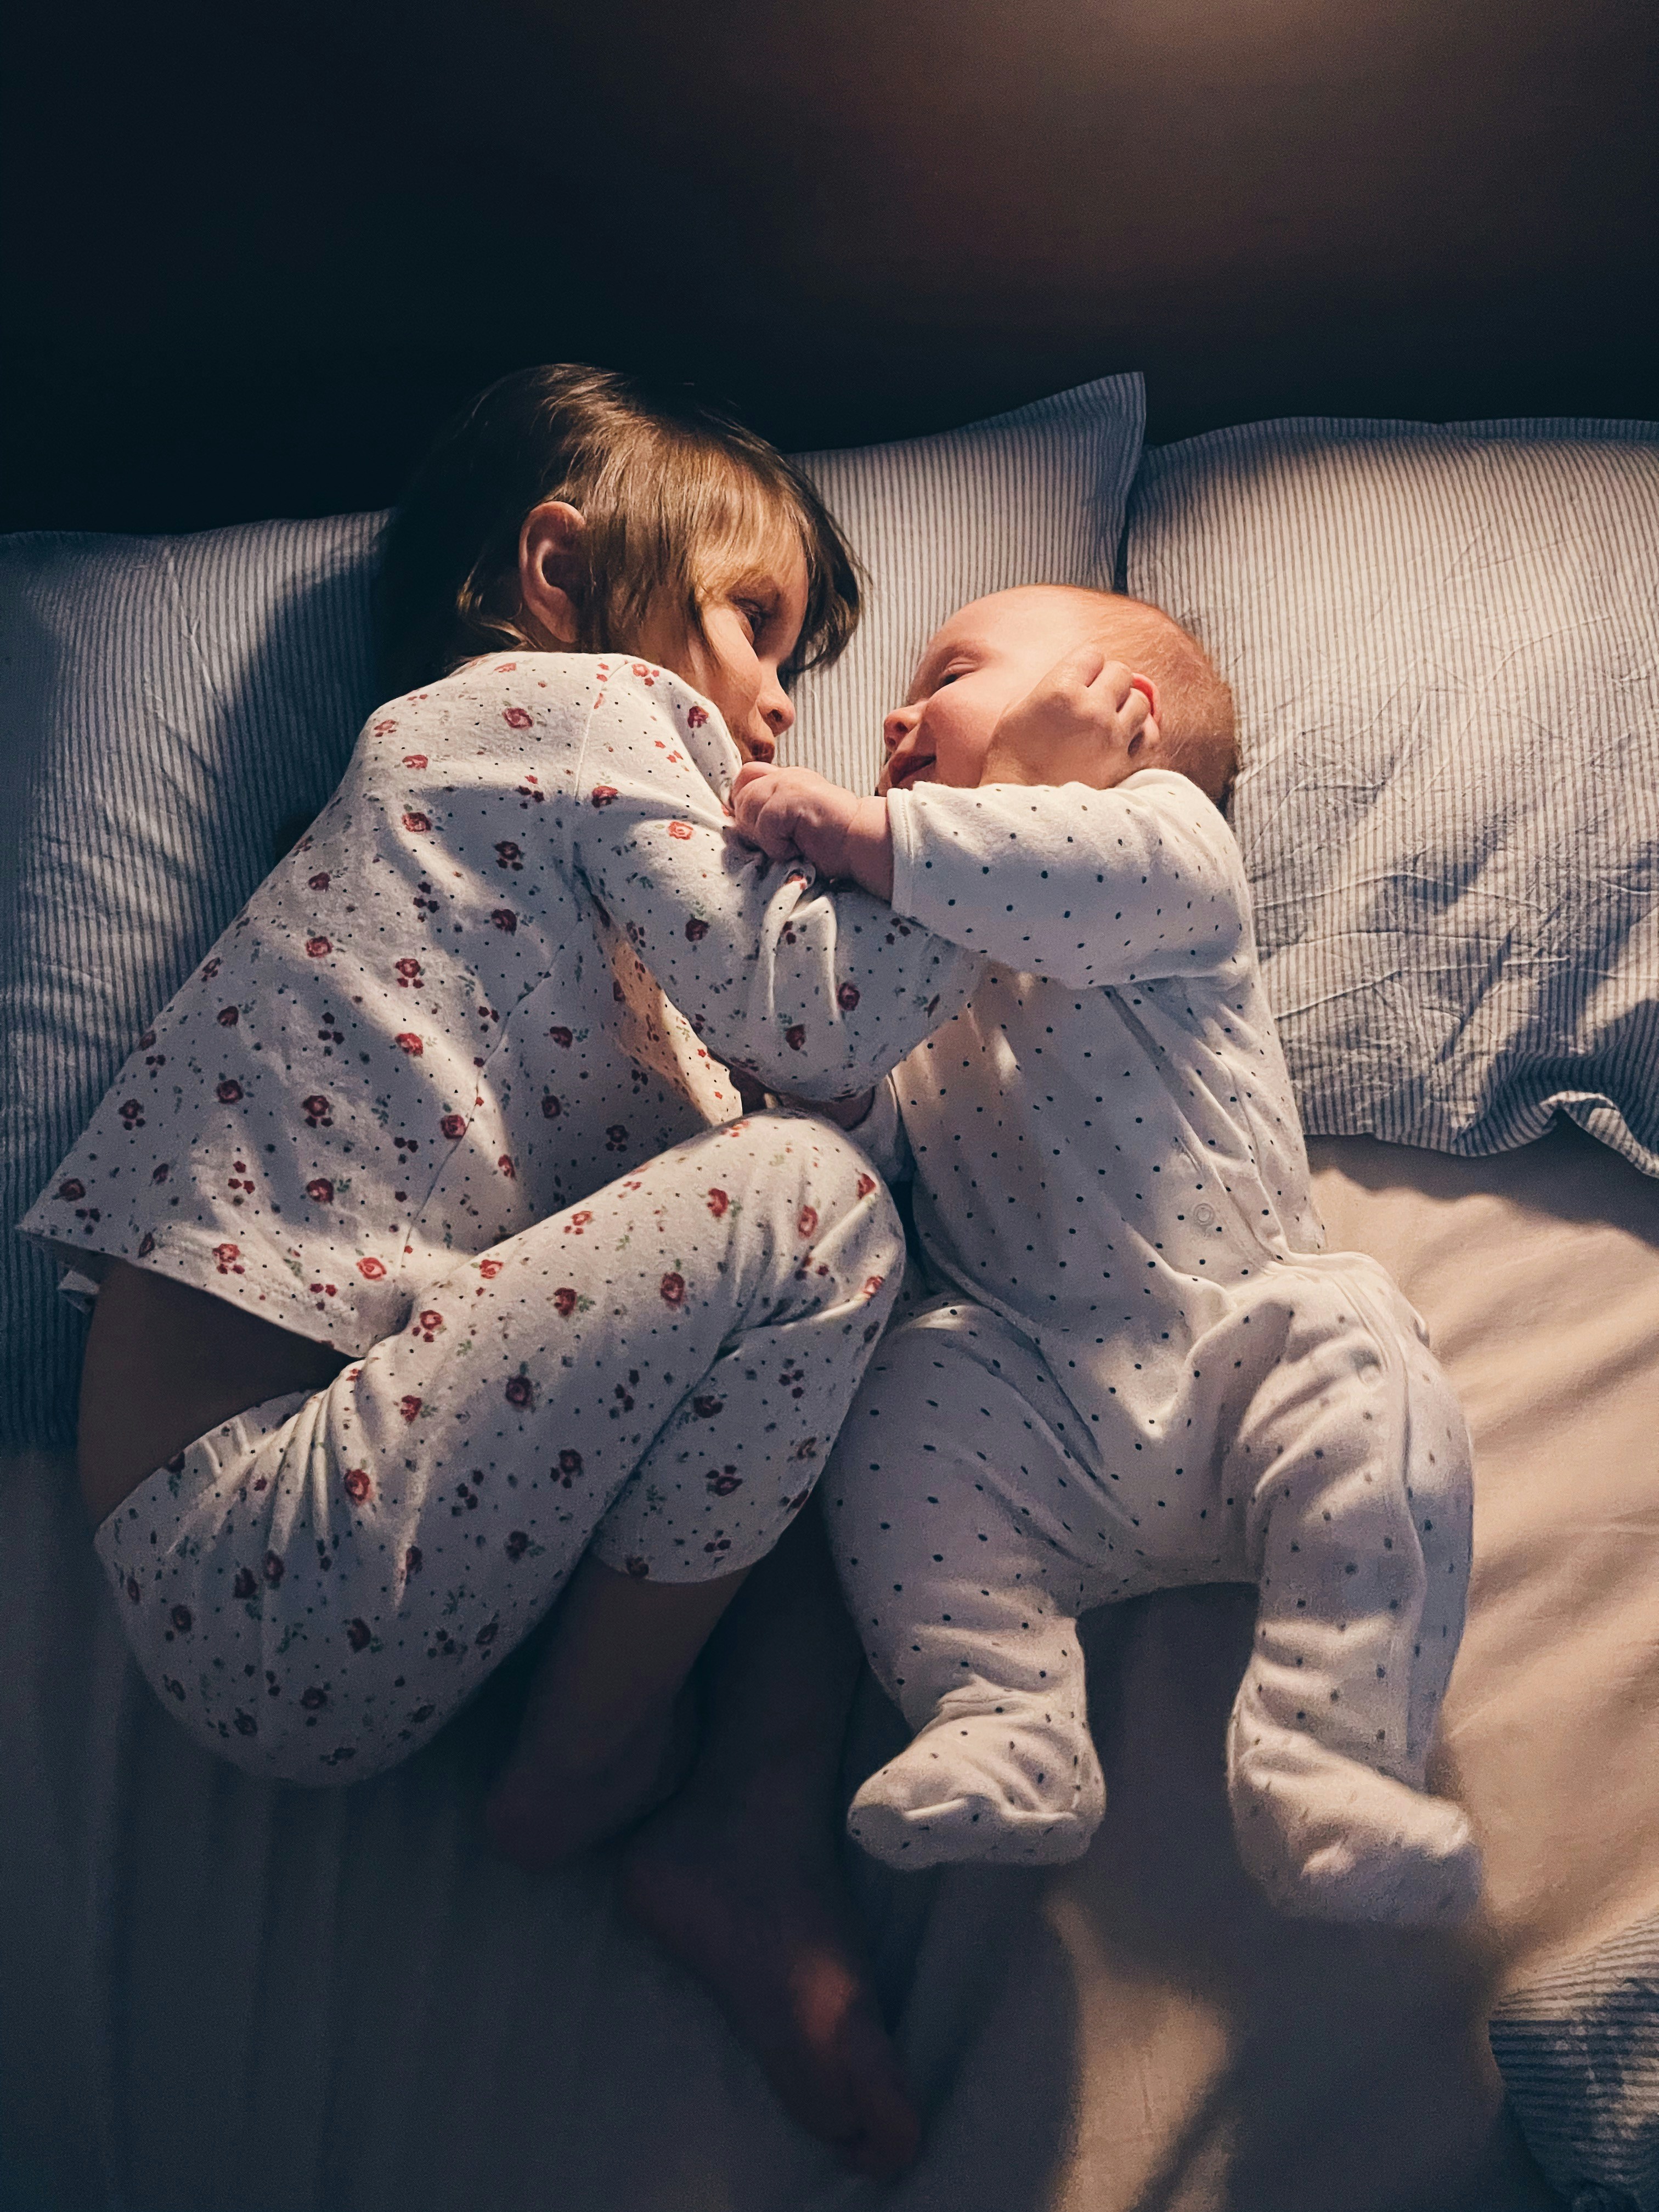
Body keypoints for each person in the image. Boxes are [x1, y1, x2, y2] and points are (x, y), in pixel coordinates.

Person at [21, 365, 983, 2176]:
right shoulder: (556, 703)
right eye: (755, 623)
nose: (779, 705)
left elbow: (784, 1111)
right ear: (558, 570)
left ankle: (742, 1830)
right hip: (261, 1520)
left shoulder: (530, 913)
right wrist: (998, 860)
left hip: (345, 1551)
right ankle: (604, 1763)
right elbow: (810, 1008)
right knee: (814, 1210)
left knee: (836, 1297)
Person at [729, 584, 1483, 1928]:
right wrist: (825, 1078)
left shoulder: (1171, 848)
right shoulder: (914, 952)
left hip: (1235, 1346)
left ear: (1120, 717)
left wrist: (898, 820)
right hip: (1027, 1388)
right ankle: (1002, 1713)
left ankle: (1330, 1755)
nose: (895, 713)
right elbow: (883, 1154)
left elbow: (1050, 874)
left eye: (950, 672)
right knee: (899, 1402)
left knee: (1365, 1350)